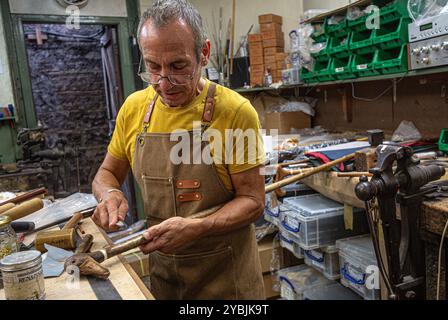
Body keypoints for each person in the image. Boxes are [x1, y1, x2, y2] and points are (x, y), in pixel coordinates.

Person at [92, 0, 266, 300]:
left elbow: (253, 201)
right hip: (165, 281)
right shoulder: (134, 109)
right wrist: (110, 194)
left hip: (228, 283)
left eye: (178, 66)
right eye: (153, 67)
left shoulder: (236, 112)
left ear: (204, 53)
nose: (164, 82)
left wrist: (198, 227)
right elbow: (106, 173)